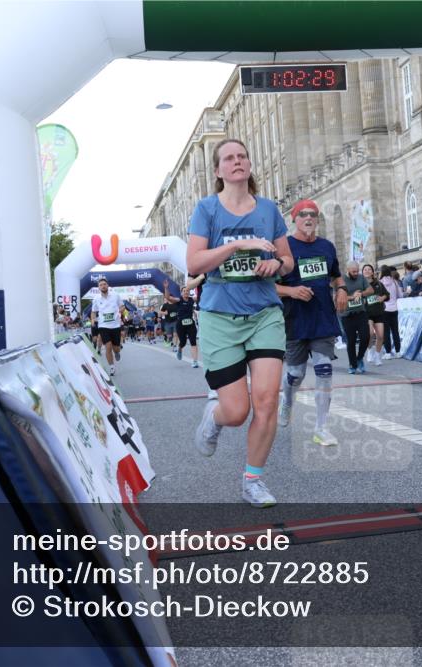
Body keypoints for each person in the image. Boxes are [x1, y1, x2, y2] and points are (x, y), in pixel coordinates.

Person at [187, 138, 293, 508]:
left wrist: (275, 265)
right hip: (220, 316)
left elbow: (288, 260)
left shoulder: (267, 209)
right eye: (229, 158)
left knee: (266, 402)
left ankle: (253, 480)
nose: (237, 161)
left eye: (243, 156)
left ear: (249, 164)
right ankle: (214, 417)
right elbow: (194, 265)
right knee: (237, 411)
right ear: (218, 171)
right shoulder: (207, 210)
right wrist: (236, 247)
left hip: (264, 312)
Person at [275, 199, 348, 447]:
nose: (308, 218)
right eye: (303, 214)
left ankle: (321, 427)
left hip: (323, 318)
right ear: (294, 219)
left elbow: (337, 275)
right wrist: (292, 292)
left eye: (313, 215)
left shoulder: (326, 247)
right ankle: (287, 401)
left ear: (317, 219)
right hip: (294, 320)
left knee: (324, 370)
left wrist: (341, 290)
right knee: (295, 373)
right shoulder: (284, 248)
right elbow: (267, 287)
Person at [339, 261, 374, 374]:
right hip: (347, 315)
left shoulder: (361, 278)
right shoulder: (341, 280)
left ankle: (359, 358)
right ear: (347, 270)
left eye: (357, 271)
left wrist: (362, 294)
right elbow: (337, 297)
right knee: (351, 341)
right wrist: (351, 297)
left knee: (366, 337)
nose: (356, 273)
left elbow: (371, 290)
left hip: (360, 313)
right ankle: (352, 365)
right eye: (353, 271)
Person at [90, 278, 124, 376]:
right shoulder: (96, 299)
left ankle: (117, 352)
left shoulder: (115, 295)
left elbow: (122, 306)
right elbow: (93, 311)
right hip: (103, 326)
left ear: (107, 285)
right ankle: (112, 367)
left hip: (115, 325)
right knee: (108, 346)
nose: (103, 286)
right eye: (101, 285)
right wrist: (92, 320)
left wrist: (119, 311)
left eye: (104, 284)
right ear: (99, 287)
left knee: (116, 348)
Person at [166, 286, 200, 367]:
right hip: (181, 324)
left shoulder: (192, 299)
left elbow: (201, 295)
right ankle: (180, 349)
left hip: (191, 323)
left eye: (187, 291)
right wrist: (166, 288)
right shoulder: (179, 300)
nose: (186, 292)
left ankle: (195, 361)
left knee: (193, 342)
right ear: (181, 293)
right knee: (183, 342)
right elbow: (168, 297)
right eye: (184, 291)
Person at [362, 263, 389, 365]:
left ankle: (377, 356)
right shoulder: (361, 284)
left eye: (369, 269)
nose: (367, 271)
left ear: (372, 272)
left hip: (378, 313)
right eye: (365, 269)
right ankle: (370, 350)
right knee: (370, 334)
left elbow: (387, 294)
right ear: (362, 272)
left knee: (381, 336)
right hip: (366, 313)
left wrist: (383, 298)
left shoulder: (379, 284)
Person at [380, 265, 404, 358]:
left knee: (386, 332)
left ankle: (388, 353)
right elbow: (400, 295)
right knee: (395, 331)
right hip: (394, 309)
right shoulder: (394, 281)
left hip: (385, 309)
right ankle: (398, 352)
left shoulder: (380, 282)